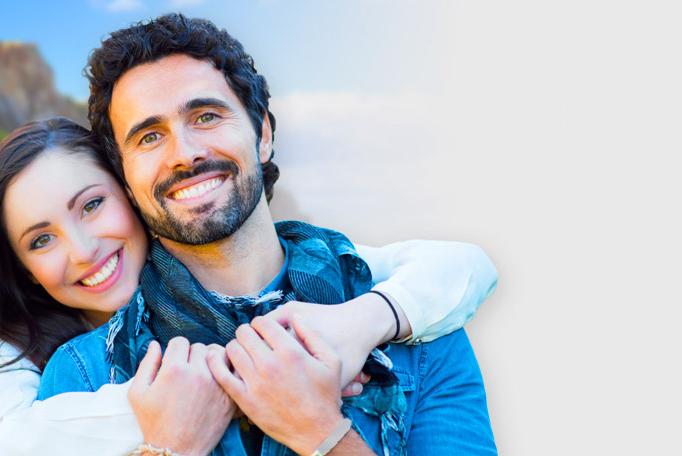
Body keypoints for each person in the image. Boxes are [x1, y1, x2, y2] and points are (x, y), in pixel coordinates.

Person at [32, 13, 495, 456]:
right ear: (125, 180)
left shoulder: (415, 328)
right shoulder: (81, 375)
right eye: (149, 137)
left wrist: (322, 434)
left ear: (263, 134)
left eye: (207, 116)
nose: (185, 154)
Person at [0, 118, 494, 455]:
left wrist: (361, 329)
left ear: (132, 190)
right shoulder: (51, 369)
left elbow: (453, 265)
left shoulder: (367, 296)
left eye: (92, 205)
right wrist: (176, 437)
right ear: (23, 269)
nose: (82, 250)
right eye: (40, 240)